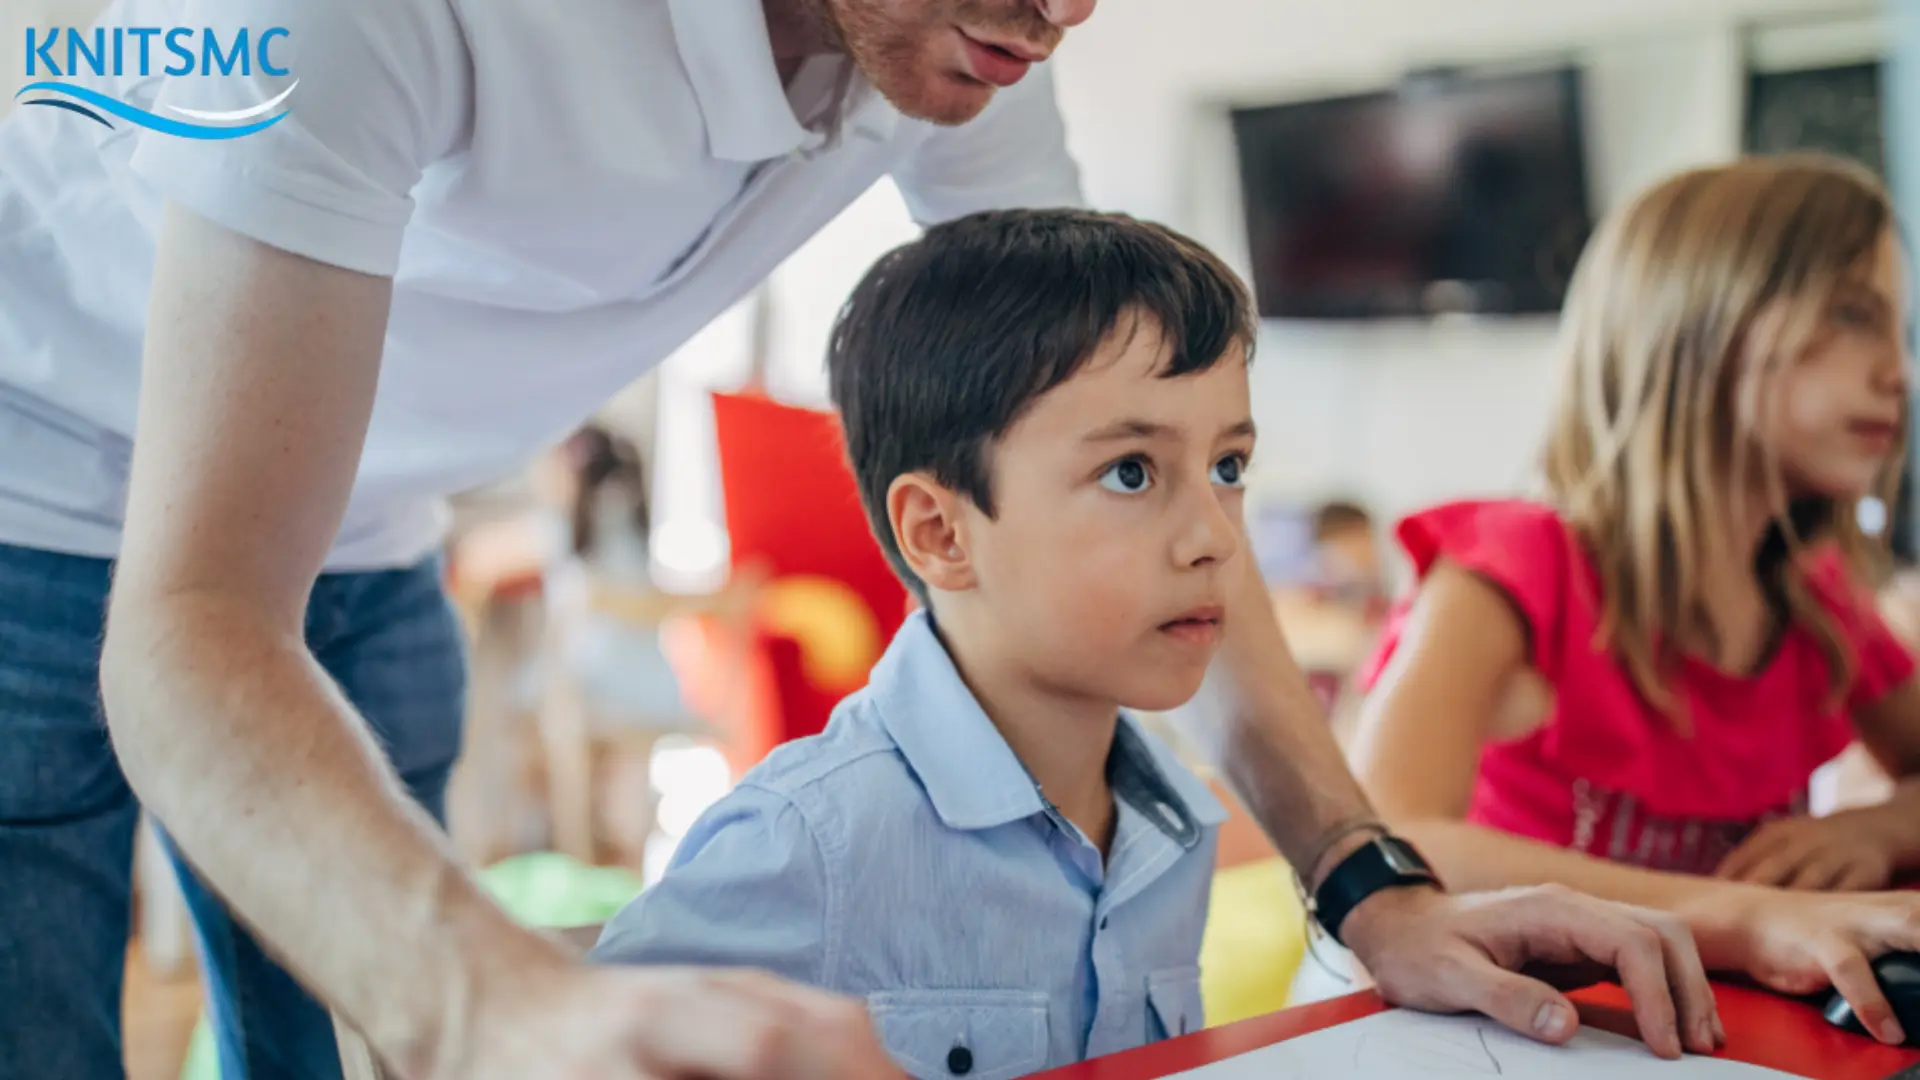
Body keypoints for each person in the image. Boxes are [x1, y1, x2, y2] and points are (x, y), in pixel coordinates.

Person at [0, 2, 1728, 1078]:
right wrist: (499, 1004)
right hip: (37, 478)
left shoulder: (957, 52)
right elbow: (193, 615)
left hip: (376, 526)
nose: (1060, 10)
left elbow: (1156, 417)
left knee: (305, 1043)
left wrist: (1368, 879)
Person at [591, 208, 1720, 1070]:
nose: (1214, 536)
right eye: (1132, 473)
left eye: (1228, 466)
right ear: (939, 531)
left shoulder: (1168, 827)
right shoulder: (807, 848)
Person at [1343, 155, 1920, 1046]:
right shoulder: (1518, 571)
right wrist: (1749, 915)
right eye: (1854, 315)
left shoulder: (1817, 606)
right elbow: (1384, 842)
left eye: (1900, 326)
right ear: (1698, 324)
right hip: (1513, 1041)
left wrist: (1887, 823)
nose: (1899, 371)